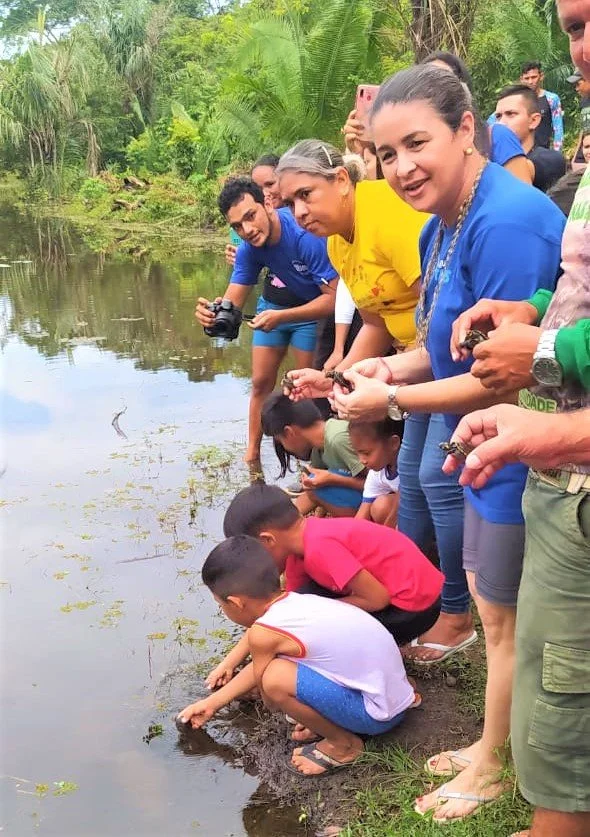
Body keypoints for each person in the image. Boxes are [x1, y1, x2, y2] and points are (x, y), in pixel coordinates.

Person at [289, 64, 565, 821]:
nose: (402, 167)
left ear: (467, 129)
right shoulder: (443, 220)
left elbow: (504, 376)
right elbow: (447, 345)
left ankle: (494, 764)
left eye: (418, 144)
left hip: (517, 443)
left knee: (507, 619)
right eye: (386, 153)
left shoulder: (503, 221)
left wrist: (395, 397)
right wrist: (378, 365)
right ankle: (490, 745)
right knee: (496, 607)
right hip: (477, 442)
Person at [177, 535, 416, 776]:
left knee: (274, 680)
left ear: (236, 603)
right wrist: (212, 704)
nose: (223, 609)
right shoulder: (300, 603)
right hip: (397, 696)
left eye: (221, 605)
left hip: (379, 717)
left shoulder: (264, 633)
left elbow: (269, 694)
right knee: (281, 668)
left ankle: (344, 745)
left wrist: (286, 704)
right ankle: (335, 721)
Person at [194, 177, 338, 468]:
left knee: (306, 387)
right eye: (237, 226)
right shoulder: (249, 248)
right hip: (275, 309)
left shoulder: (303, 235)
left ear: (268, 203)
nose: (246, 230)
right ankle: (253, 454)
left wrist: (284, 317)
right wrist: (214, 314)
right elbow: (233, 299)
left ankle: (315, 460)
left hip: (315, 313)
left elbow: (333, 299)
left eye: (250, 216)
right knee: (260, 381)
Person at [222, 484, 443, 645]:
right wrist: (231, 662)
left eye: (254, 554)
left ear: (268, 540)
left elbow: (377, 598)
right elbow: (285, 610)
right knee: (305, 606)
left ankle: (389, 675)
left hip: (415, 606)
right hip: (404, 592)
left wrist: (321, 613)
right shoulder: (300, 547)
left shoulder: (319, 548)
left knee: (319, 633)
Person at [276, 140, 428, 371]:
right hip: (409, 357)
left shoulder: (386, 217)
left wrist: (393, 372)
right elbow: (376, 325)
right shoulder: (335, 243)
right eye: (290, 203)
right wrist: (334, 378)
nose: (299, 212)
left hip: (444, 357)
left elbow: (445, 310)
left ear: (341, 180)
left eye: (305, 194)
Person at [421, 51, 534, 185]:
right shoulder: (416, 151)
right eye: (427, 81)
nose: (435, 88)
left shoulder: (497, 137)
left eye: (444, 79)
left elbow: (524, 200)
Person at [260, 392, 366, 516]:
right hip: (361, 496)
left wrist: (333, 479)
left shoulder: (337, 439)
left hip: (381, 501)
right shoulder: (318, 447)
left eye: (280, 440)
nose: (284, 447)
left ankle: (359, 527)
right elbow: (312, 491)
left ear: (289, 433)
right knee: (312, 485)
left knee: (316, 487)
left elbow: (379, 484)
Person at [494, 84, 566, 192]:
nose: (501, 123)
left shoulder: (550, 159)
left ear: (533, 121)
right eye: (498, 116)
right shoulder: (494, 162)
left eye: (511, 114)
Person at [348, 417, 403, 527]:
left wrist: (385, 538)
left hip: (426, 514)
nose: (361, 460)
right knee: (380, 507)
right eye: (357, 453)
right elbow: (363, 513)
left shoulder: (410, 469)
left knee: (382, 506)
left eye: (366, 453)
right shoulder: (378, 471)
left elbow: (399, 510)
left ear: (393, 443)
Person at [518, 61, 564, 150]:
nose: (530, 81)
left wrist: (556, 154)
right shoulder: (517, 100)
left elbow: (558, 129)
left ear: (541, 76)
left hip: (543, 152)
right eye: (527, 78)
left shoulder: (551, 99)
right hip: (521, 153)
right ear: (521, 79)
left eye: (534, 77)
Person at [568, 69, 590, 170]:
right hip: (585, 153)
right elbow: (583, 129)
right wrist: (576, 156)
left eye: (578, 84)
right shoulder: (584, 101)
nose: (576, 89)